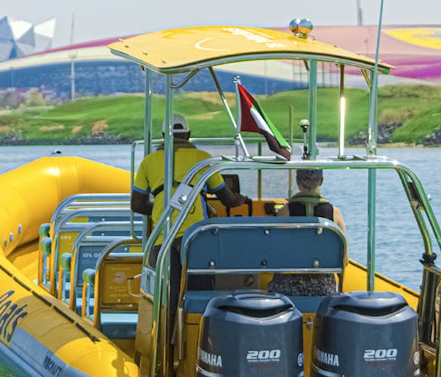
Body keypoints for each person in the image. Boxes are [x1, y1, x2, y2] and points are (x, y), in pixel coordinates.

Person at [131, 114, 249, 331]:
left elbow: (137, 204)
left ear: (164, 136)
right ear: (188, 134)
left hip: (163, 235)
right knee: (198, 291)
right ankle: (199, 336)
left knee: (167, 293)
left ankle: (165, 340)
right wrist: (241, 199)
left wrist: (162, 210)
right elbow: (227, 199)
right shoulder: (203, 159)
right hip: (196, 236)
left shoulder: (149, 161)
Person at [269, 168, 345, 297]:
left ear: (297, 181)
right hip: (324, 288)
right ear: (321, 181)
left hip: (287, 287)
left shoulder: (285, 212)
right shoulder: (335, 213)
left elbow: (273, 254)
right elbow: (344, 260)